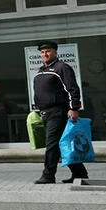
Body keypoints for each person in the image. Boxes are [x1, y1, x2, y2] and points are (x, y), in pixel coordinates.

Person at [32, 40, 87, 184]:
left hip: (58, 112)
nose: (45, 54)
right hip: (46, 113)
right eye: (42, 52)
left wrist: (73, 108)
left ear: (55, 52)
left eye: (48, 51)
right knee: (62, 144)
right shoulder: (41, 70)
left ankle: (48, 175)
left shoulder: (61, 68)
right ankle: (80, 173)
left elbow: (72, 89)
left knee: (52, 144)